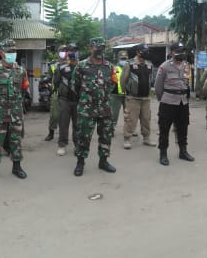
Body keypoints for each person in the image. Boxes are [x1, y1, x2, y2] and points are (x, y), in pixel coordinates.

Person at [0, 39, 29, 180]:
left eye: (14, 51)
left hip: (16, 112)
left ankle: (17, 167)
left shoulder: (21, 71)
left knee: (16, 139)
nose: (12, 53)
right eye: (9, 51)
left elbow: (23, 89)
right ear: (1, 52)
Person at [72, 38, 119, 176]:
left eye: (102, 47)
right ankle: (80, 163)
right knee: (83, 137)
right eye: (96, 47)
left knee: (106, 136)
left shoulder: (110, 66)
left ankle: (103, 161)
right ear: (90, 48)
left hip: (104, 108)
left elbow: (113, 84)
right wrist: (86, 98)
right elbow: (74, 85)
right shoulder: (81, 65)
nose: (99, 50)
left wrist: (103, 95)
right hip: (87, 109)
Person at [156, 42, 195, 164]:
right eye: (178, 51)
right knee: (164, 129)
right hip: (168, 102)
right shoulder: (165, 66)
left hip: (183, 102)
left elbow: (187, 82)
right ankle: (163, 154)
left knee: (183, 128)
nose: (181, 53)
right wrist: (163, 98)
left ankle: (183, 151)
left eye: (183, 51)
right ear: (172, 52)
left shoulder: (186, 66)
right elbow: (158, 86)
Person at [121, 44, 156, 148]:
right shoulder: (130, 64)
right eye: (143, 51)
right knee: (131, 119)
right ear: (138, 52)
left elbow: (151, 79)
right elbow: (123, 80)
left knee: (146, 119)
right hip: (133, 98)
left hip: (146, 97)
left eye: (147, 51)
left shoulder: (149, 64)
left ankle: (146, 138)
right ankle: (127, 139)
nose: (146, 53)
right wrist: (126, 93)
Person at [52, 44, 80, 156]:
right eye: (70, 51)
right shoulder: (61, 66)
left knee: (78, 125)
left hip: (79, 100)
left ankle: (77, 145)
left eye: (75, 50)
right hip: (64, 100)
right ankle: (62, 145)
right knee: (63, 124)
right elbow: (56, 82)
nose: (72, 52)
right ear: (67, 53)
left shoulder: (82, 66)